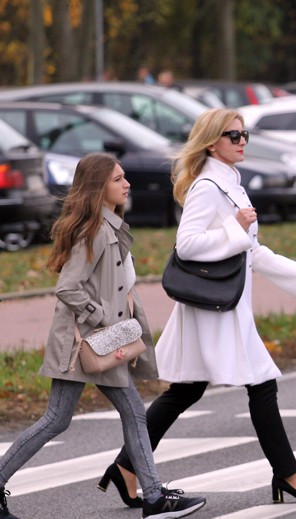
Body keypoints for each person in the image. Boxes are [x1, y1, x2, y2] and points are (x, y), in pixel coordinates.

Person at [100, 108, 296, 508]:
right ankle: (288, 474)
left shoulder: (231, 184)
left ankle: (125, 467)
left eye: (244, 136)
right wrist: (235, 228)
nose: (242, 142)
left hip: (226, 305)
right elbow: (186, 245)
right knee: (260, 384)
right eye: (234, 136)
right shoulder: (209, 186)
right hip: (214, 309)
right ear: (212, 142)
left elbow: (252, 252)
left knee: (187, 390)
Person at [0, 153, 206, 519]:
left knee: (131, 414)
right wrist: (100, 317)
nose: (127, 184)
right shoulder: (93, 231)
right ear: (98, 187)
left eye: (125, 177)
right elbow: (69, 287)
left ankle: (155, 497)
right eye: (118, 179)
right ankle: (155, 498)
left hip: (103, 341)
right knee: (57, 419)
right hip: (85, 342)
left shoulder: (109, 226)